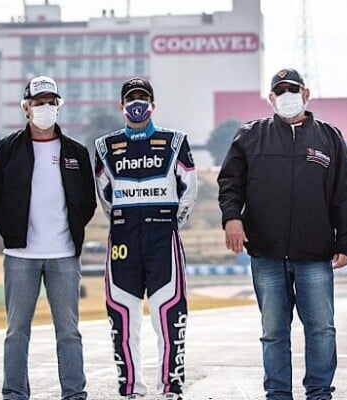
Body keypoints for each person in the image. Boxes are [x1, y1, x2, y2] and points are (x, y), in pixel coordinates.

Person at [217, 68, 347, 400]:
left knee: (322, 330)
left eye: (292, 90)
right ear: (270, 98)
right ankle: (278, 394)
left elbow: (343, 194)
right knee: (274, 332)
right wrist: (232, 218)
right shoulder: (250, 136)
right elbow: (229, 184)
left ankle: (319, 392)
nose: (287, 96)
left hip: (315, 254)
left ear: (306, 94)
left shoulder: (329, 137)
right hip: (266, 253)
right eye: (280, 91)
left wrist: (346, 242)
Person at [0, 76, 96, 400]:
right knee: (17, 331)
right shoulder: (8, 148)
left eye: (51, 103)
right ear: (26, 108)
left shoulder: (74, 150)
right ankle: (15, 392)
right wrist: (13, 234)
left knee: (69, 332)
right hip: (21, 256)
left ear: (58, 106)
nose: (45, 108)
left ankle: (74, 392)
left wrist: (72, 232)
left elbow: (86, 201)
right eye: (38, 103)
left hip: (63, 255)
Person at [92, 76, 197, 400]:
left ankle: (171, 387)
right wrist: (124, 222)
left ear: (152, 103)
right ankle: (129, 388)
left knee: (169, 314)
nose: (137, 103)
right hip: (123, 239)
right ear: (121, 105)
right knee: (122, 316)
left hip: (162, 237)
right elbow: (104, 197)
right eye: (131, 98)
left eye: (143, 97)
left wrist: (169, 224)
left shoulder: (175, 141)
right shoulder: (104, 147)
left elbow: (189, 189)